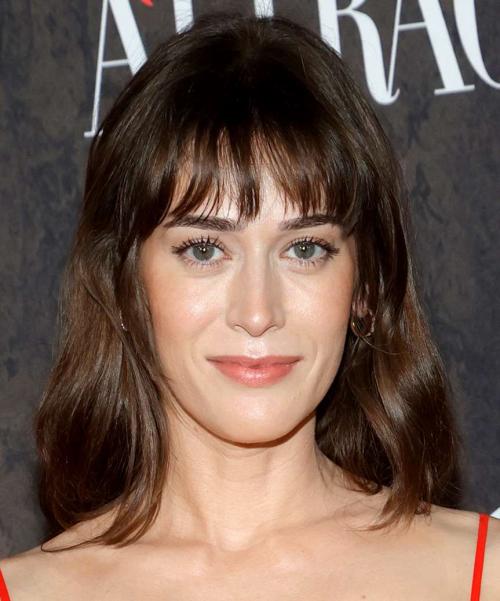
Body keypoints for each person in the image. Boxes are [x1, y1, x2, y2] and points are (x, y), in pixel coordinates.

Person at [0, 12, 498, 601]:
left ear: (365, 285)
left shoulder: (484, 574)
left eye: (305, 248)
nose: (258, 313)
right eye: (205, 249)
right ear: (125, 285)